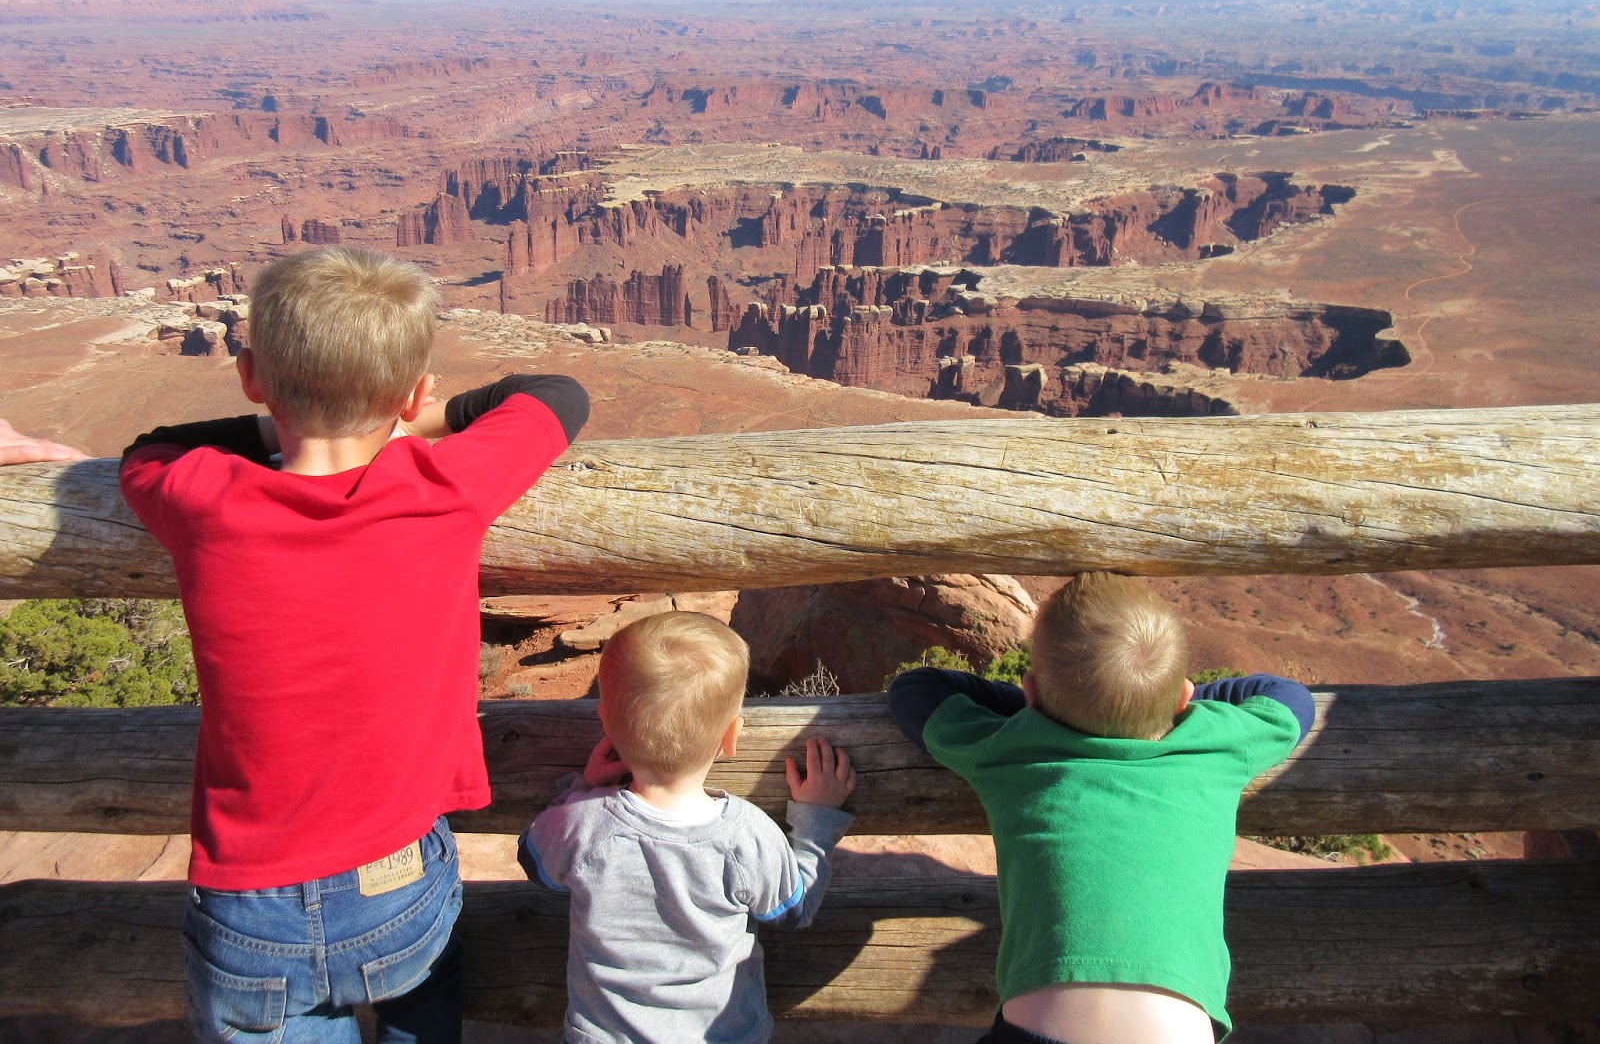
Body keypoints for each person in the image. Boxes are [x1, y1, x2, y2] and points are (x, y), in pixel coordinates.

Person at [116, 247, 589, 1043]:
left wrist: (282, 416)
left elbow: (151, 446)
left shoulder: (202, 500)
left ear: (250, 377)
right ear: (414, 393)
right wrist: (411, 422)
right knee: (426, 1003)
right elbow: (557, 395)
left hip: (249, 904)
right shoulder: (442, 487)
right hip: (397, 879)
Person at [887, 572, 1314, 1044]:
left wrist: (1043, 711)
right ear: (1184, 697)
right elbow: (1290, 697)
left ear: (1031, 692)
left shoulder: (1009, 747)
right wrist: (1165, 704)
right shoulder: (1217, 745)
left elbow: (915, 691)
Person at [520, 610, 856, 1044]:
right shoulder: (745, 836)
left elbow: (535, 861)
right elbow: (794, 908)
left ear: (605, 722)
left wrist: (582, 788)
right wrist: (816, 821)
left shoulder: (583, 825)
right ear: (732, 736)